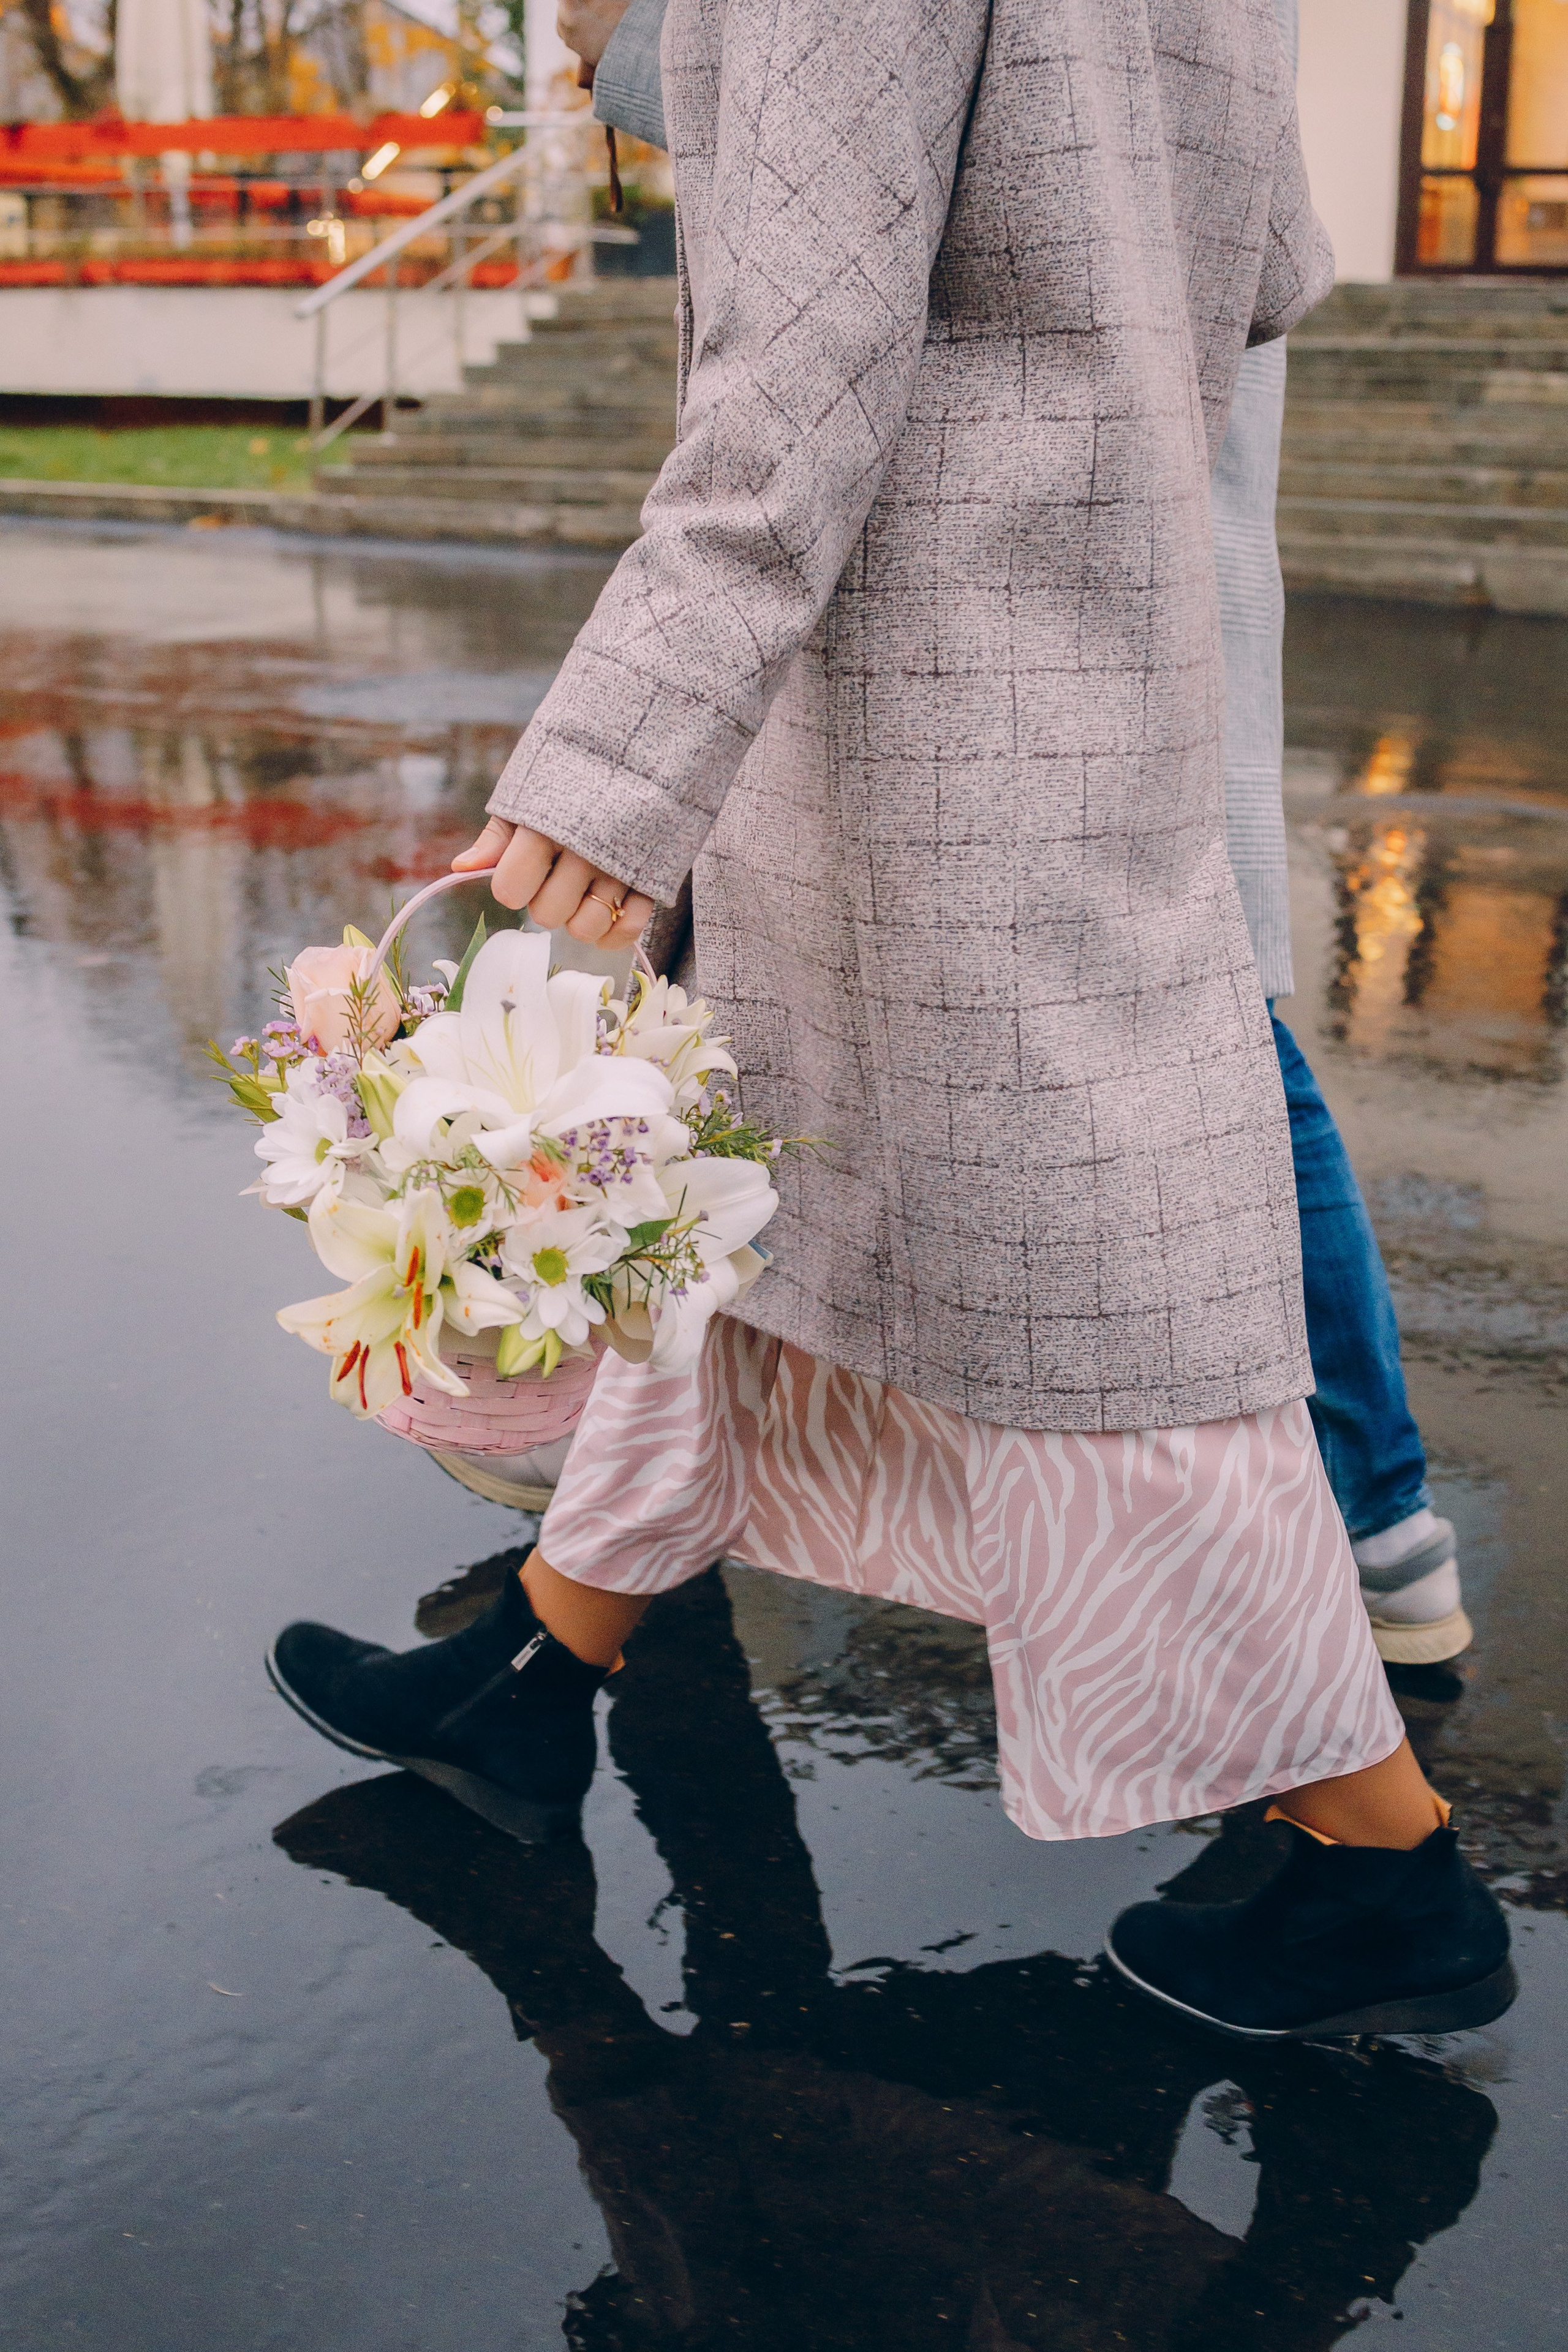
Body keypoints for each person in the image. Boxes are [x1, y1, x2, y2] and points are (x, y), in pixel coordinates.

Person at [269, 0, 1512, 2041]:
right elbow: (1274, 253)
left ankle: (1380, 1859)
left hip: (912, 654)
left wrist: (612, 759)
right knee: (763, 1208)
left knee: (1099, 1317)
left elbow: (810, 348)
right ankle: (536, 1675)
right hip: (1087, 622)